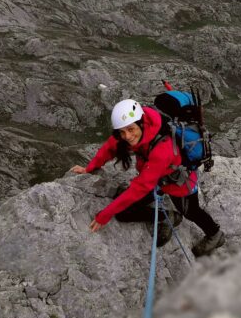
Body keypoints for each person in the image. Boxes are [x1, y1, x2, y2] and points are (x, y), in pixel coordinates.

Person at [71, 98, 225, 256]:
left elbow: (140, 187)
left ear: (141, 124)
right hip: (156, 178)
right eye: (122, 132)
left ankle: (215, 235)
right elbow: (111, 146)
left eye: (131, 130)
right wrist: (89, 168)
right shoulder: (137, 125)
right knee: (124, 212)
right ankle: (169, 217)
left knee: (191, 211)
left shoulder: (162, 148)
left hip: (178, 182)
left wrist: (104, 215)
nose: (127, 136)